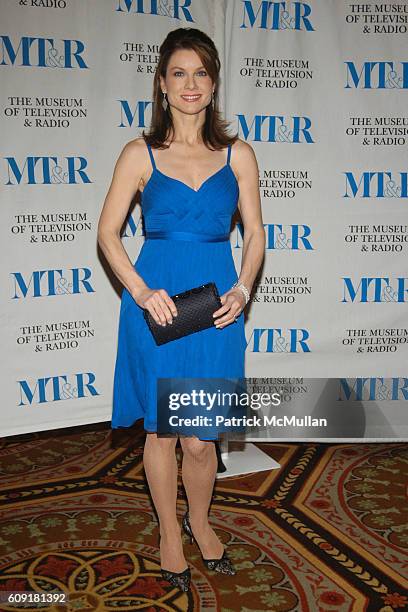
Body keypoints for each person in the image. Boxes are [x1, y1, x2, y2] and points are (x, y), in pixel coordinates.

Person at [97, 27, 265, 593]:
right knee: (165, 432)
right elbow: (108, 233)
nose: (189, 84)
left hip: (216, 304)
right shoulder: (138, 153)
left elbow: (258, 235)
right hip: (159, 304)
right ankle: (170, 529)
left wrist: (242, 288)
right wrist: (142, 292)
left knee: (201, 437)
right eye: (178, 73)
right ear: (162, 85)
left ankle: (199, 517)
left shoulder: (238, 153)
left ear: (213, 83)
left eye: (200, 73)